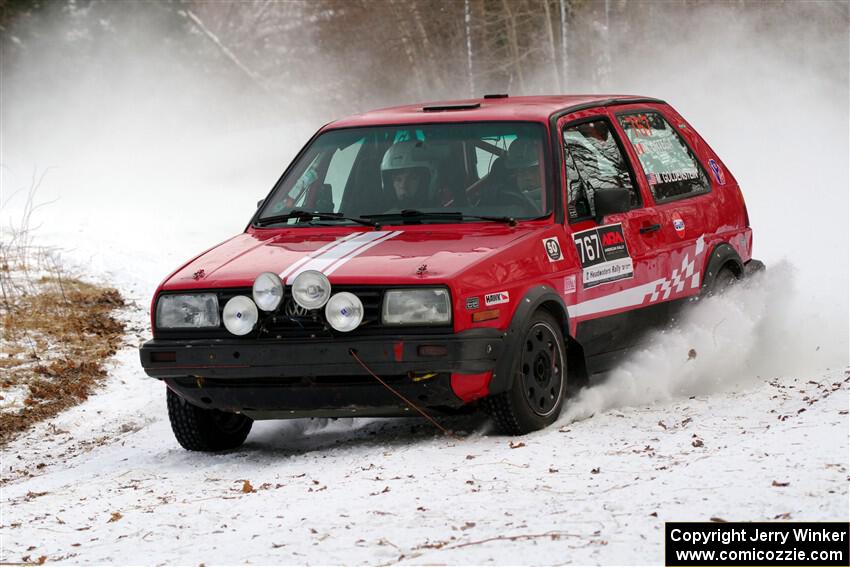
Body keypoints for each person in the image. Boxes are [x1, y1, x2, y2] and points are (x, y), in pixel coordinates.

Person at [380, 141, 437, 210]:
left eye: (412, 178)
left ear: (424, 181)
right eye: (398, 179)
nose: (403, 186)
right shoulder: (381, 217)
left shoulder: (444, 212)